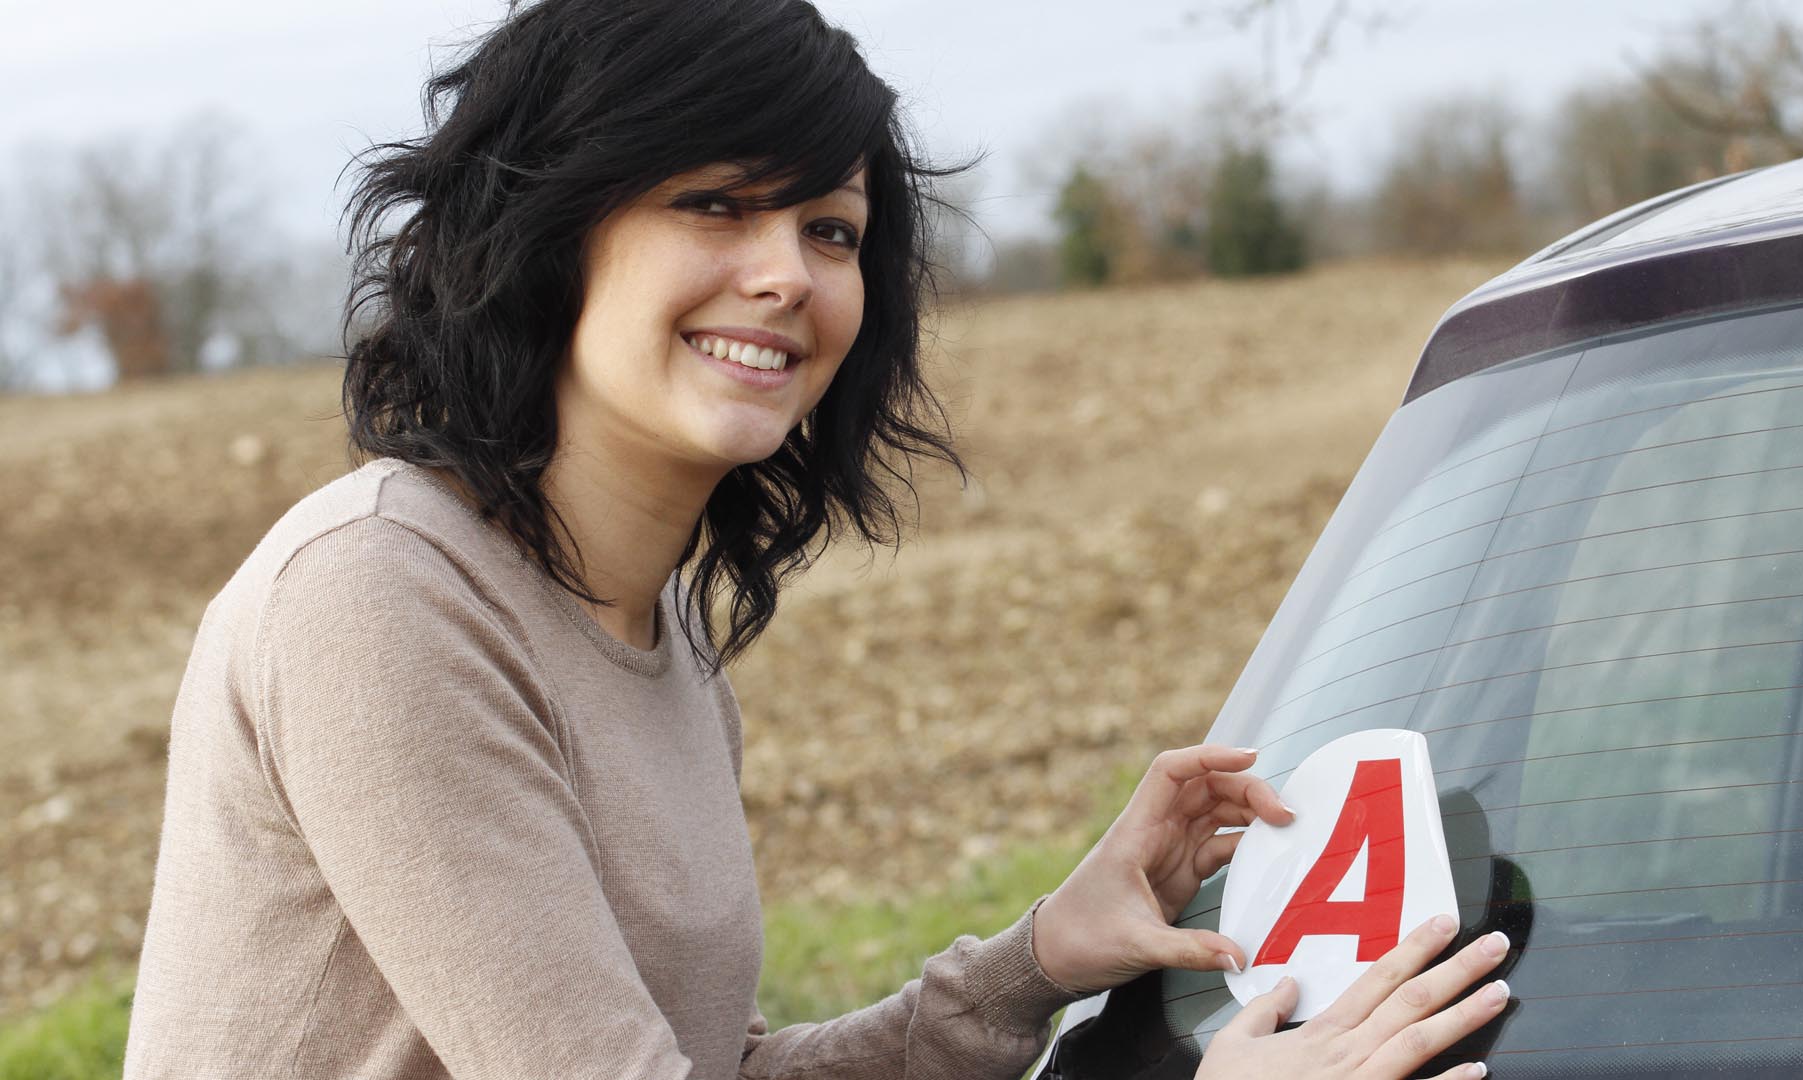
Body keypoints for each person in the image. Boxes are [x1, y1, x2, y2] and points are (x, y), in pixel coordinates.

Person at [121, 1, 1509, 1077]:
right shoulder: (380, 602)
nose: (786, 272)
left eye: (830, 228)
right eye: (715, 204)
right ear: (551, 228)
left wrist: (1034, 962)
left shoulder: (661, 646)